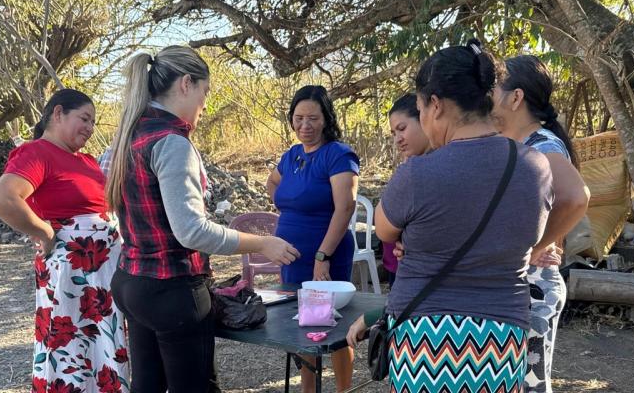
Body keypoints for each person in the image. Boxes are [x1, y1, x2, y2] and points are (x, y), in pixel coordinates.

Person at [351, 39, 553, 392]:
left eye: (420, 109)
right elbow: (551, 216)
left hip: (425, 338)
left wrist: (412, 239)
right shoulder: (535, 166)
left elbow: (383, 230)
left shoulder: (418, 174)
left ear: (435, 104)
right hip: (503, 336)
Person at [106, 45, 299, 393]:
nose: (205, 104)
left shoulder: (127, 137)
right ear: (185, 84)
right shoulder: (171, 143)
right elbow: (191, 231)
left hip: (131, 282)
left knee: (146, 386)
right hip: (172, 291)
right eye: (204, 92)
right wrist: (262, 243)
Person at [0, 89, 130, 392]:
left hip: (103, 272)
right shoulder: (37, 152)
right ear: (57, 114)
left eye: (93, 122)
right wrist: (44, 232)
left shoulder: (86, 160)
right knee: (72, 344)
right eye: (84, 118)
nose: (90, 128)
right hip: (72, 272)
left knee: (103, 341)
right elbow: (2, 199)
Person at [493, 55, 590, 393]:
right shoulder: (513, 144)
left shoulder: (542, 145)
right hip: (515, 282)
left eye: (493, 88)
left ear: (515, 97)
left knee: (530, 386)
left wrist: (537, 246)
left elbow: (576, 198)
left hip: (533, 286)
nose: (486, 96)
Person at [266, 85, 359, 392]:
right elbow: (273, 184)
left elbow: (345, 207)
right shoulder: (291, 156)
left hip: (325, 256)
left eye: (313, 118)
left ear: (326, 119)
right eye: (299, 118)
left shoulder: (338, 154)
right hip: (291, 256)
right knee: (300, 325)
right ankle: (309, 389)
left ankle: (342, 389)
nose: (305, 126)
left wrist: (323, 256)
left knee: (332, 326)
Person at [382, 93, 431, 286]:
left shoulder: (434, 166)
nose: (398, 139)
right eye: (394, 133)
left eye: (402, 129)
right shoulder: (409, 165)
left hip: (418, 272)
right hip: (396, 263)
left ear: (424, 119)